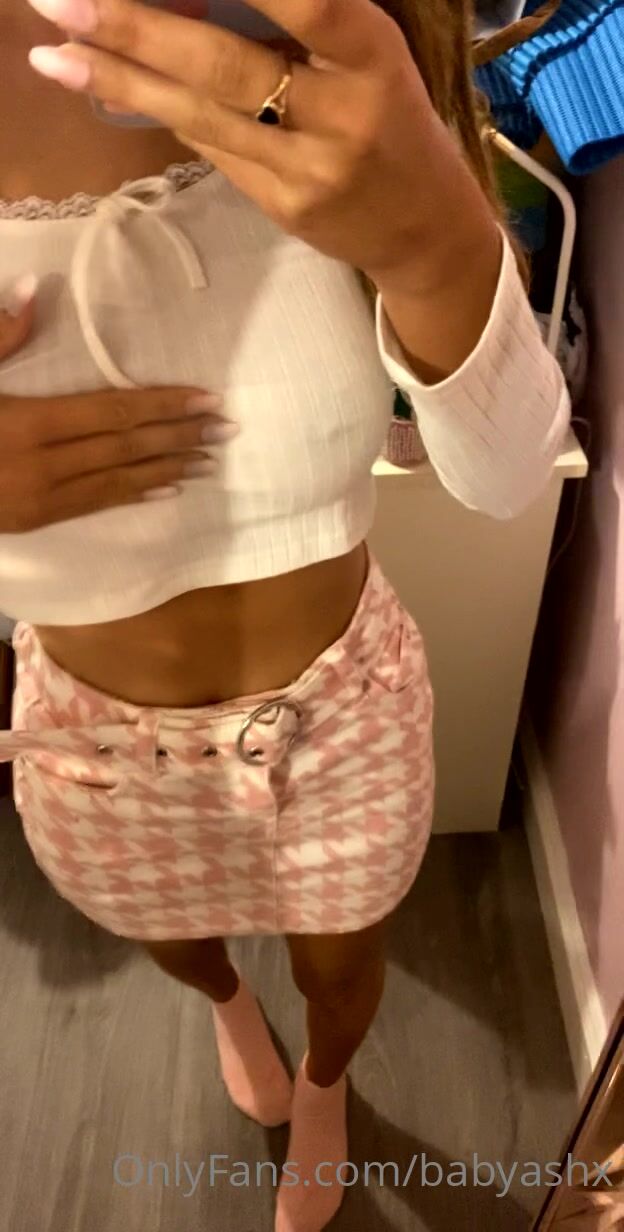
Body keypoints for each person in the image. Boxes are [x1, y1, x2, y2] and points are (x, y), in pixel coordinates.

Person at [0, 0, 571, 1227]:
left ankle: (325, 1083)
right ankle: (227, 1006)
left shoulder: (334, 37)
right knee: (174, 938)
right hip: (91, 752)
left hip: (340, 716)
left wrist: (438, 247)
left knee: (347, 969)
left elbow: (512, 473)